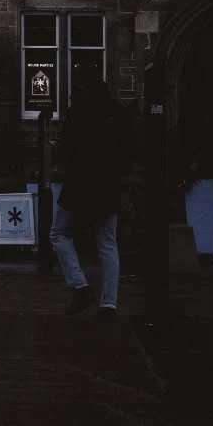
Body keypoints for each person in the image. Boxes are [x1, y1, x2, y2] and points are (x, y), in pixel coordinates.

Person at [50, 78, 126, 320]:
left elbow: (64, 152)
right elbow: (129, 149)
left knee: (59, 233)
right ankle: (109, 305)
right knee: (107, 243)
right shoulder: (118, 114)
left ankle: (80, 286)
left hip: (79, 185)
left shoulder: (78, 114)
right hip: (109, 186)